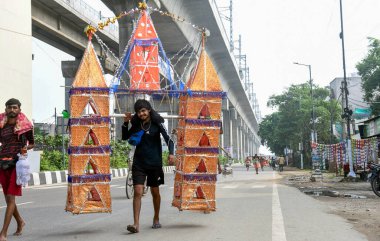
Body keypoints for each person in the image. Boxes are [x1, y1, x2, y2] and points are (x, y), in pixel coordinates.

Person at [122, 99, 174, 234]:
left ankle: (156, 217)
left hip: (154, 163)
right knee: (138, 191)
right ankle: (136, 224)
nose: (141, 114)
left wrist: (171, 154)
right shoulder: (136, 124)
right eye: (138, 112)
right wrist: (126, 122)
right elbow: (124, 137)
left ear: (149, 110)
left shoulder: (158, 124)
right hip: (139, 163)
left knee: (155, 192)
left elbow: (169, 140)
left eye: (143, 111)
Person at [0, 98, 34, 241]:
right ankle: (20, 221)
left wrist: (25, 148)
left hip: (17, 164)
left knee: (10, 198)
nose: (12, 110)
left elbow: (32, 143)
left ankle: (3, 233)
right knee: (8, 199)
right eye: (9, 108)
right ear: (6, 109)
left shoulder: (25, 125)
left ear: (19, 109)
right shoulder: (2, 125)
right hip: (2, 163)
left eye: (15, 108)